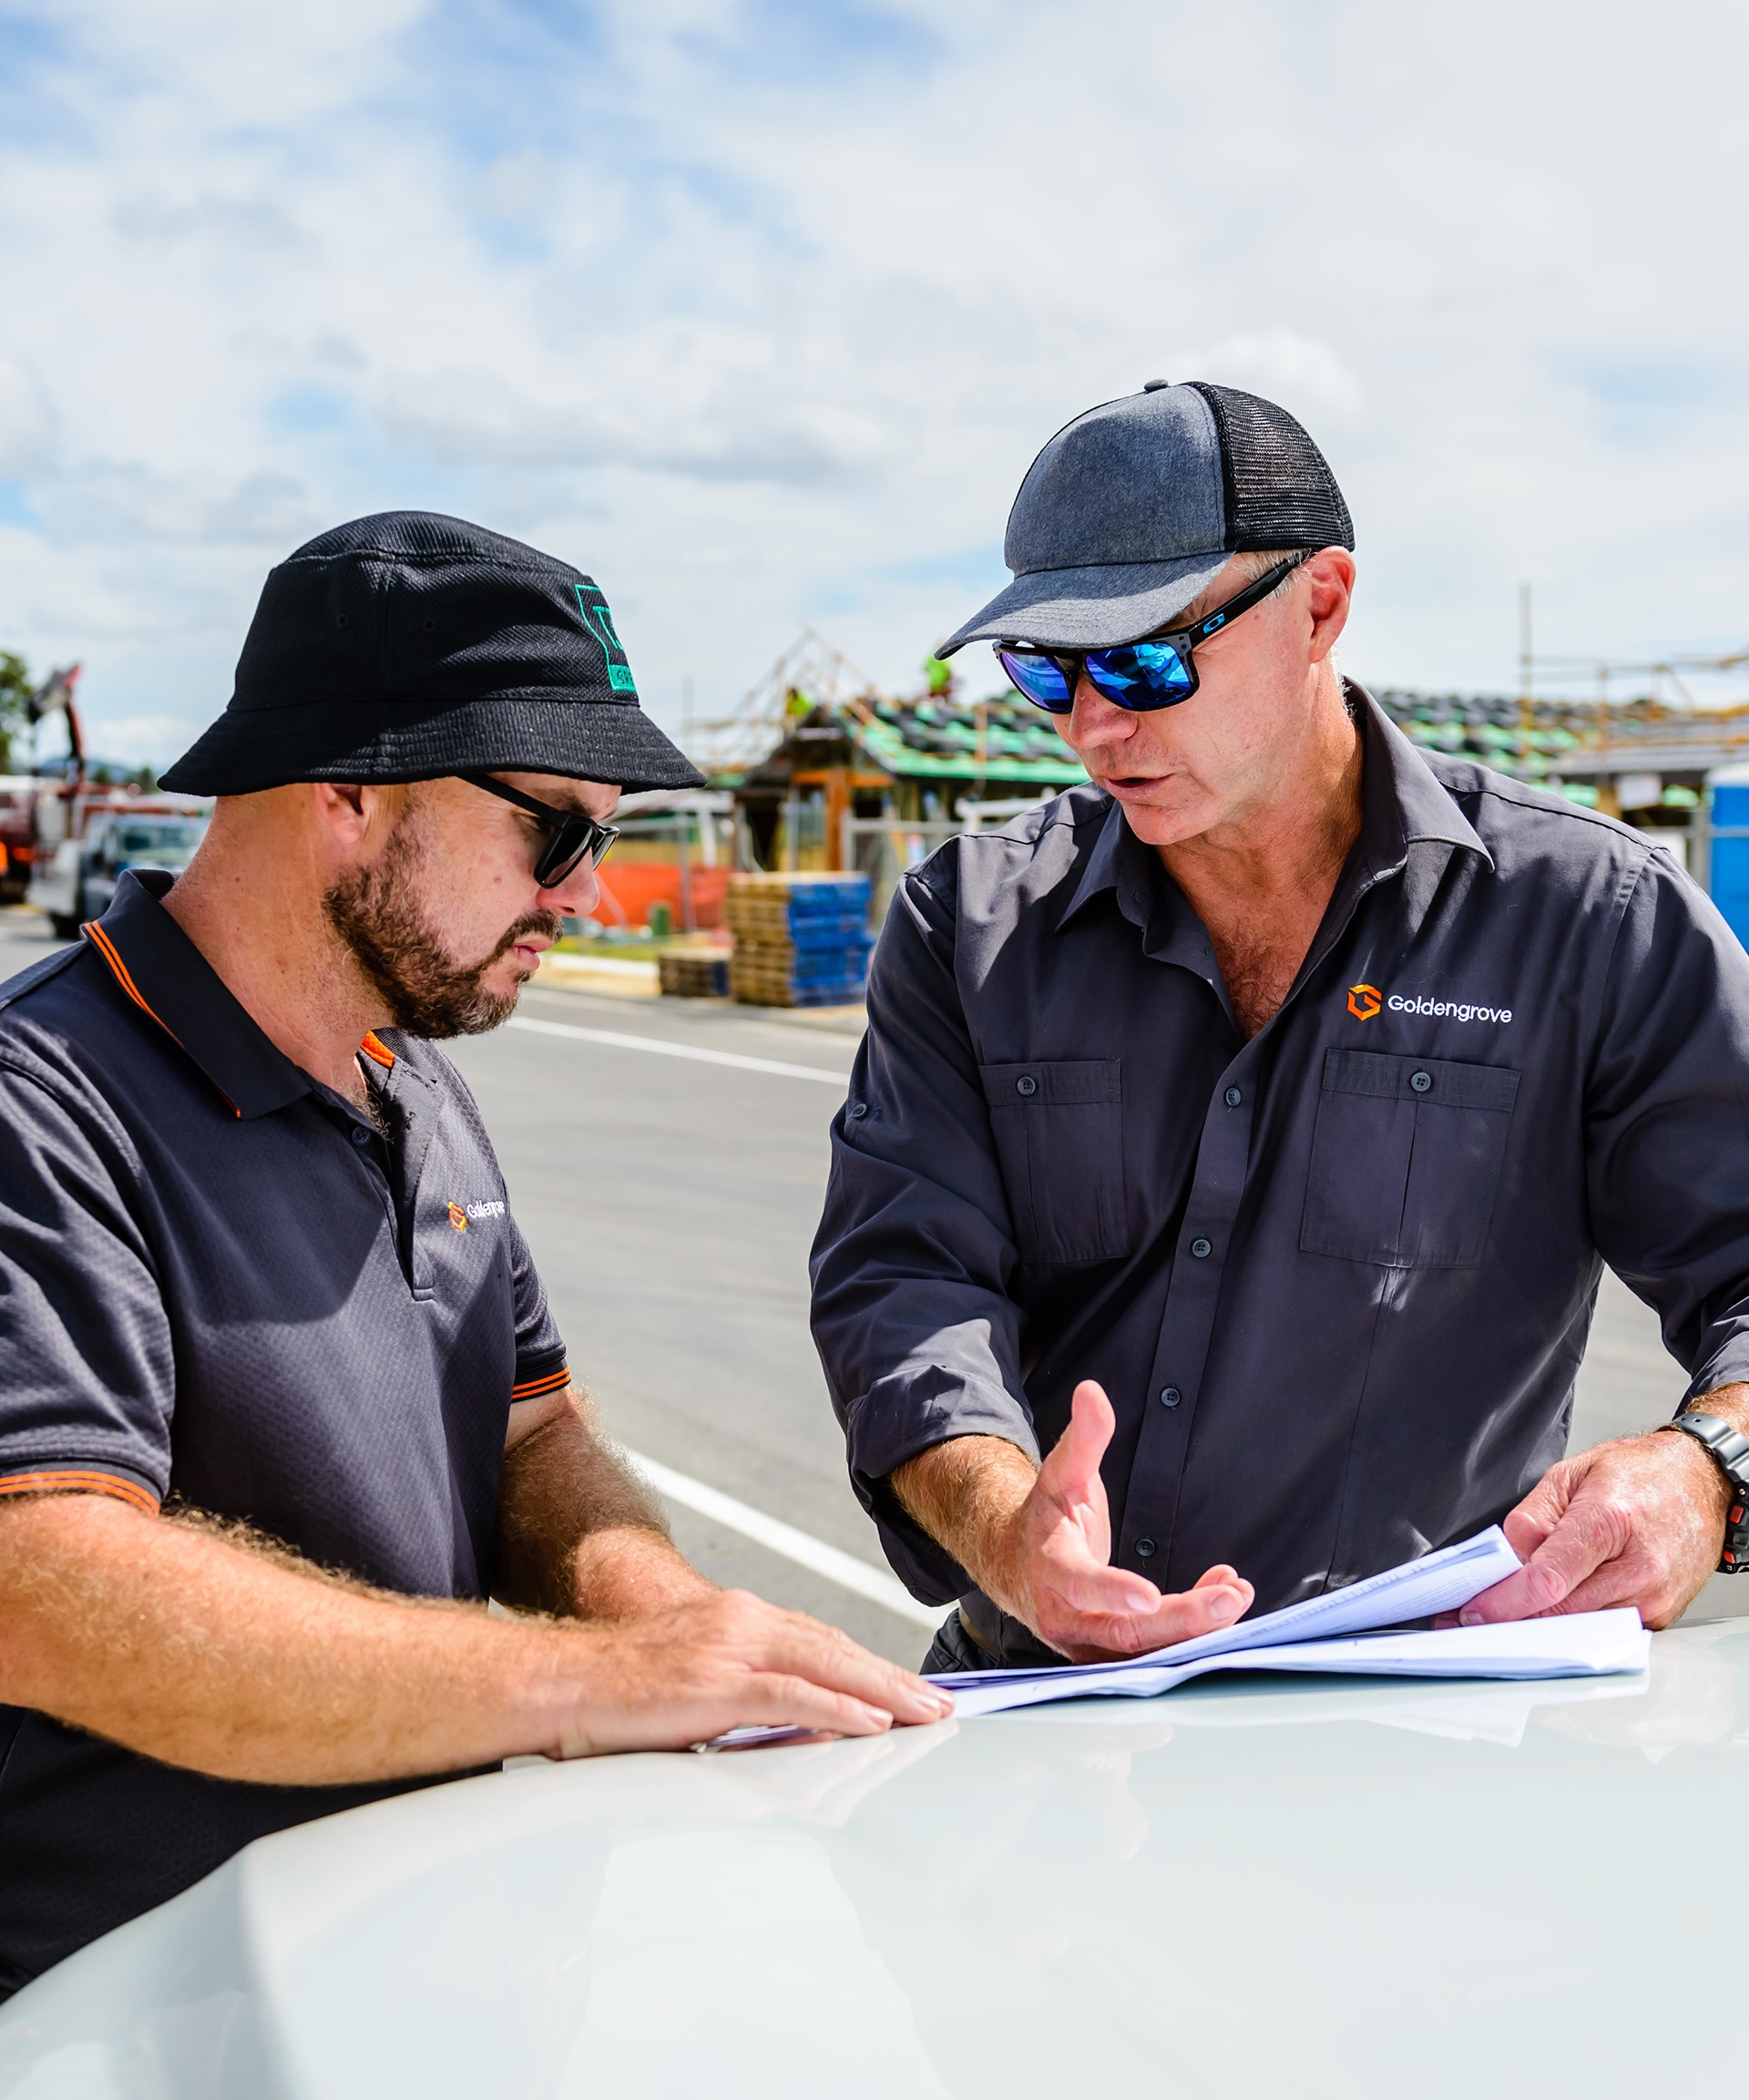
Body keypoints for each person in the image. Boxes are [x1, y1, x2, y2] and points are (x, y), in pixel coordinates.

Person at [0, 512, 949, 1999]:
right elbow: (36, 1579)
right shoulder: (43, 1105)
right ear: (346, 788)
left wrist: (671, 1622)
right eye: (556, 826)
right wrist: (587, 1682)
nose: (581, 891)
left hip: (433, 1984)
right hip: (146, 2023)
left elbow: (530, 1431)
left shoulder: (419, 1080)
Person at [810, 379, 1749, 1675]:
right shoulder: (969, 929)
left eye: (1145, 655)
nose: (1094, 725)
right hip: (1044, 1714)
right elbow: (902, 1281)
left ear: (1321, 606)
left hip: (1423, 1727)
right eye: (1047, 670)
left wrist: (1711, 1472)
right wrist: (1005, 1523)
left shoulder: (1588, 921)